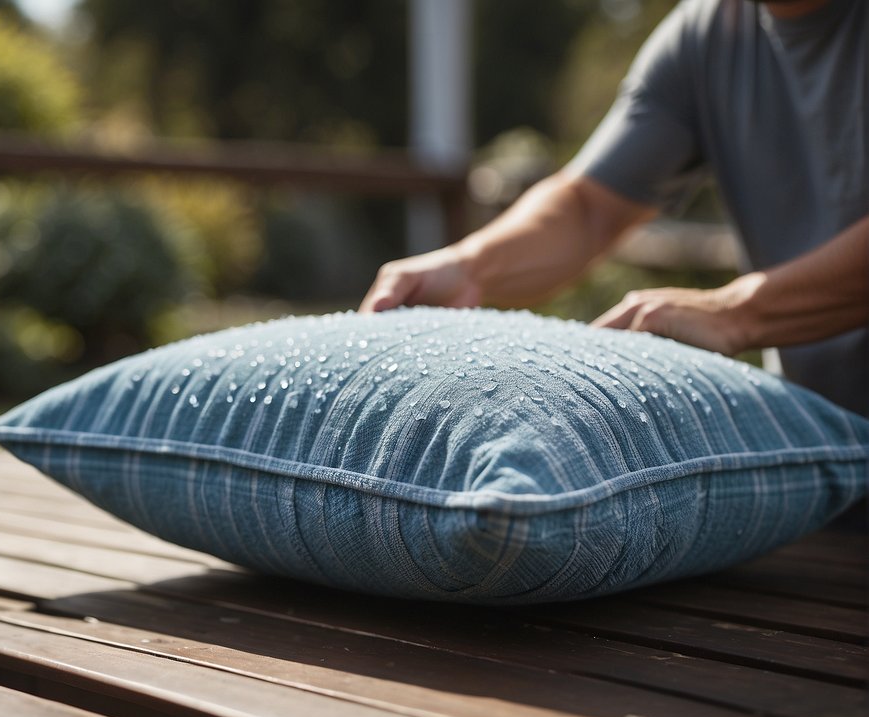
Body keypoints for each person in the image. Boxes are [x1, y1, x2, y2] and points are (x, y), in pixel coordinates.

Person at [361, 0, 868, 416]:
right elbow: (588, 206)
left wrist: (733, 313)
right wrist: (469, 267)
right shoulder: (707, 33)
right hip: (826, 453)